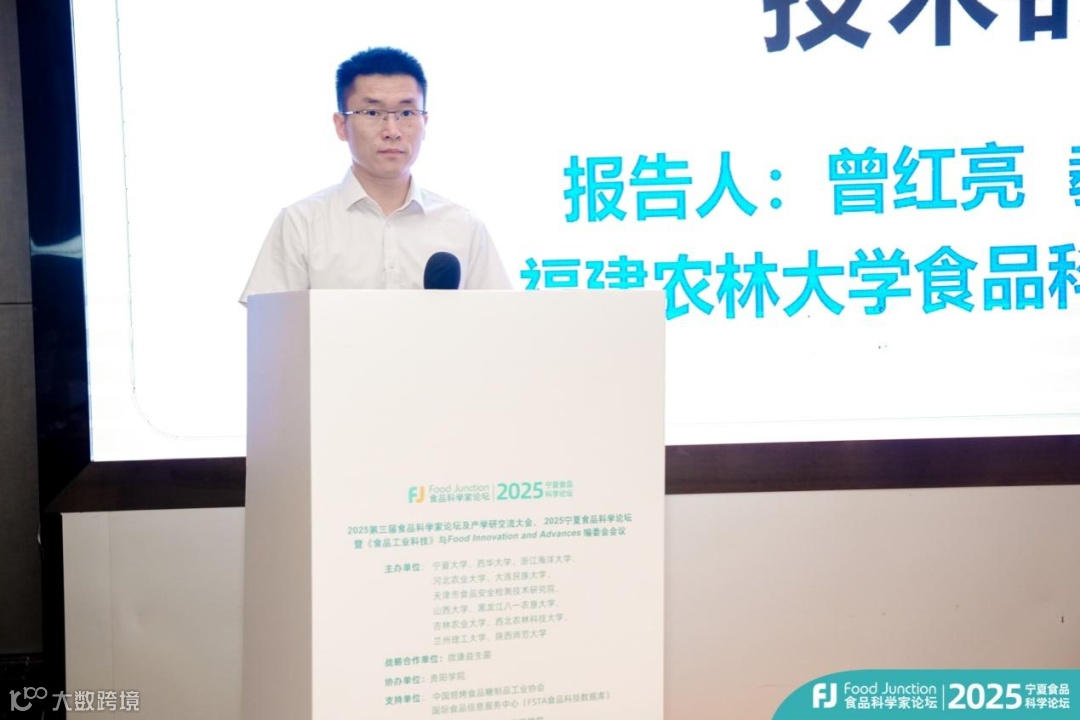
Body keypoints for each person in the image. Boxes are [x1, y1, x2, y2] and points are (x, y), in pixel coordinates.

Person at [240, 47, 511, 303]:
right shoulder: (301, 224)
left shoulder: (463, 227)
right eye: (372, 112)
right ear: (341, 125)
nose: (392, 130)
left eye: (406, 112)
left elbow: (498, 323)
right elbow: (270, 327)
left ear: (424, 123)